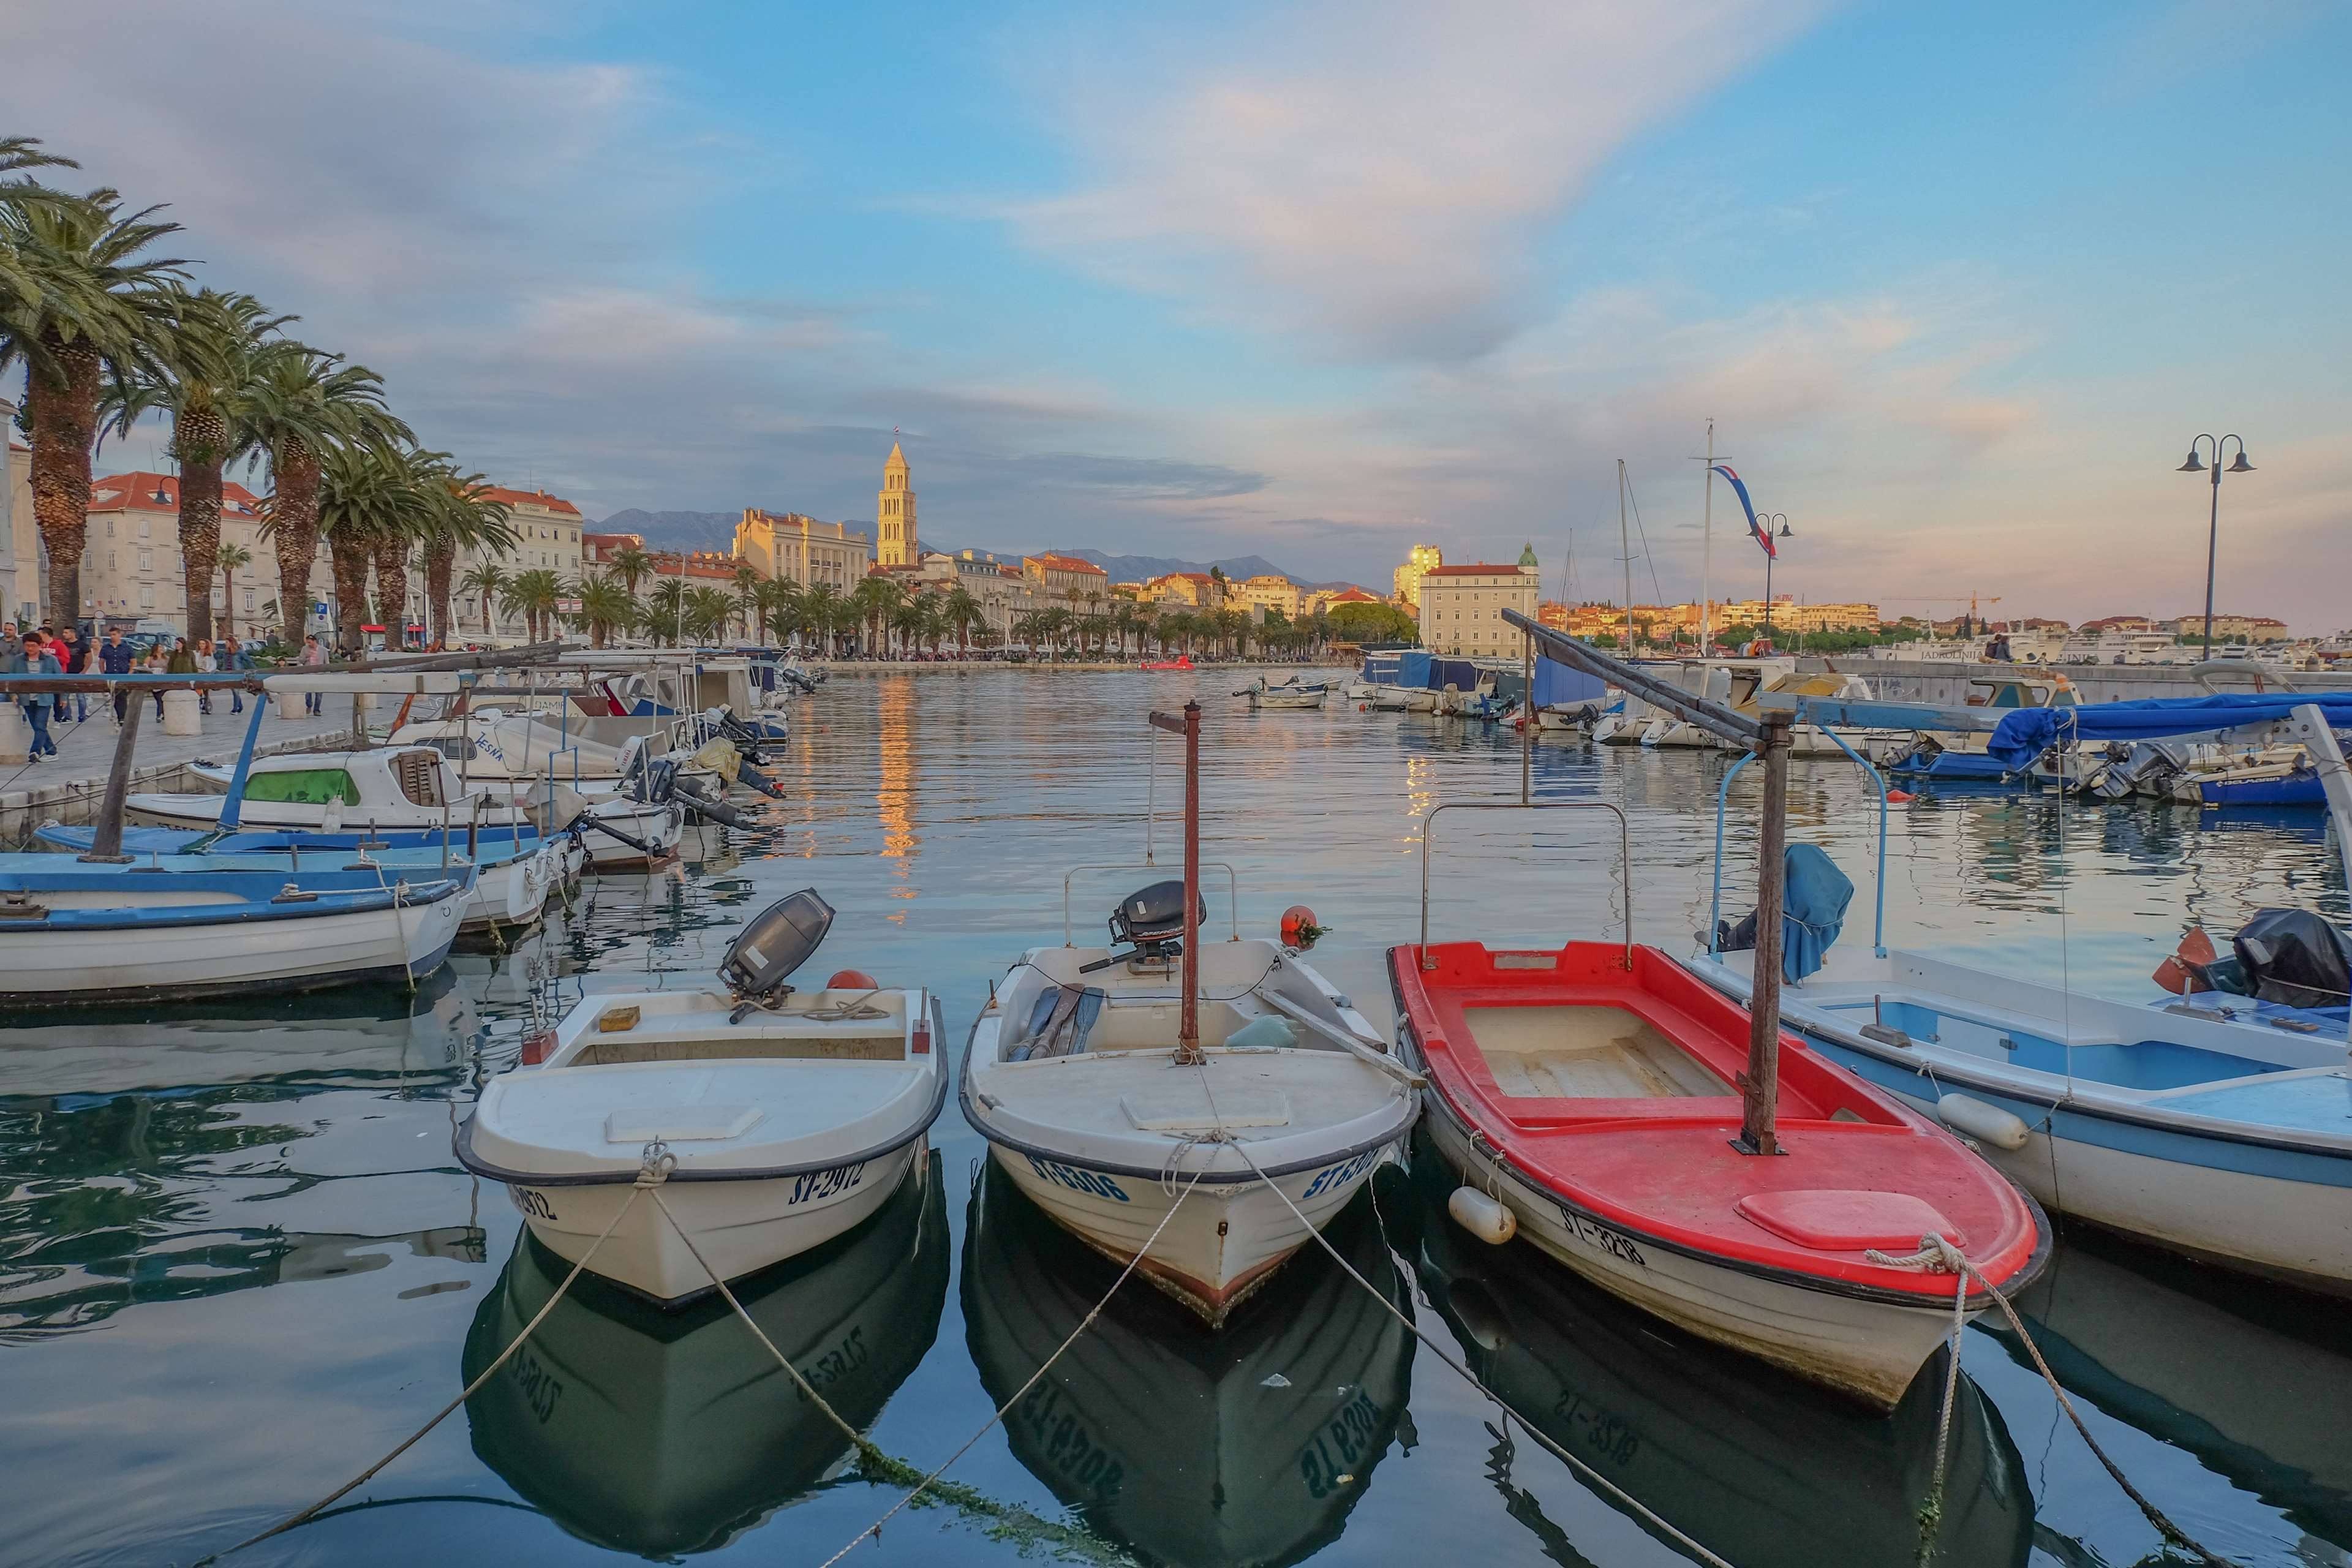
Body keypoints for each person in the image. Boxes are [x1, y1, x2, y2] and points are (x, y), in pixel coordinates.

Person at [20, 635, 59, 760]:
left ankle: (35, 751)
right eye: (27, 645)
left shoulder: (50, 660)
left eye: (33, 646)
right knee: (37, 727)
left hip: (44, 698)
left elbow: (60, 678)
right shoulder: (18, 660)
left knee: (40, 725)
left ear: (40, 646)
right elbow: (13, 678)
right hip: (27, 698)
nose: (30, 648)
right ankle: (52, 751)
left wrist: (63, 698)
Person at [97, 627, 135, 723]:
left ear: (120, 635)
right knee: (115, 696)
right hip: (110, 674)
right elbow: (101, 661)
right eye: (111, 635)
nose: (112, 637)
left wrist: (130, 674)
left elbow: (133, 662)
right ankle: (121, 717)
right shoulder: (106, 648)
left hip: (123, 674)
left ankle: (123, 718)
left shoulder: (127, 648)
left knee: (122, 695)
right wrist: (103, 674)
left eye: (114, 634)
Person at [56, 626, 89, 723]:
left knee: (81, 697)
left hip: (79, 673)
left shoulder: (82, 645)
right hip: (67, 673)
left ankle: (82, 716)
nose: (64, 635)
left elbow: (89, 658)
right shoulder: (64, 645)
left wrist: (84, 671)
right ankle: (67, 716)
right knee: (65, 696)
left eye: (66, 633)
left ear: (72, 633)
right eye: (64, 633)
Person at [222, 635, 250, 714]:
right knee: (234, 691)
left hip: (237, 674)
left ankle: (235, 709)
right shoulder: (226, 652)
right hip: (228, 673)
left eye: (227, 642)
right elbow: (224, 662)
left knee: (236, 691)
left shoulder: (240, 652)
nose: (226, 644)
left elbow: (248, 661)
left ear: (232, 643)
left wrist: (256, 670)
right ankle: (240, 706)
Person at [300, 634, 327, 714]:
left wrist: (327, 674)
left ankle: (317, 710)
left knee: (319, 695)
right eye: (307, 643)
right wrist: (307, 657)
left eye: (310, 642)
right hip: (308, 674)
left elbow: (327, 662)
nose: (309, 644)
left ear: (315, 641)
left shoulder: (323, 650)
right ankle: (309, 705)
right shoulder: (305, 649)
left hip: (319, 675)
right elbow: (301, 660)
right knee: (307, 694)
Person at [194, 638, 217, 715]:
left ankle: (206, 704)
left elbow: (213, 665)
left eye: (203, 644)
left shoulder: (210, 654)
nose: (201, 645)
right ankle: (199, 703)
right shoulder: (196, 653)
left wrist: (209, 671)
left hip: (206, 673)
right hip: (197, 673)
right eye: (200, 644)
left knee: (206, 690)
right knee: (197, 689)